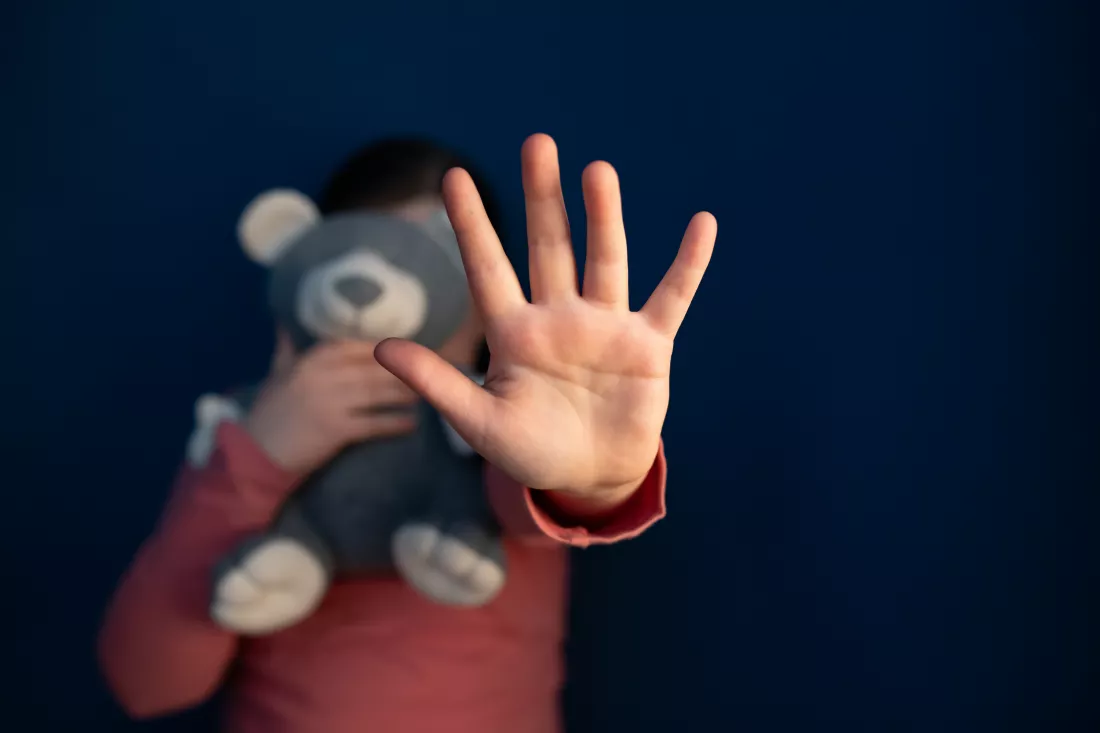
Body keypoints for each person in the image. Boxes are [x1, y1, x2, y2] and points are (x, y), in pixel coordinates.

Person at [97, 132, 716, 733]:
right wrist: (258, 458)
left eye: (444, 264)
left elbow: (532, 497)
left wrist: (590, 481)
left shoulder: (506, 435)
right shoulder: (241, 428)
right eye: (379, 251)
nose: (413, 305)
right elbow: (147, 685)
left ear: (490, 303)